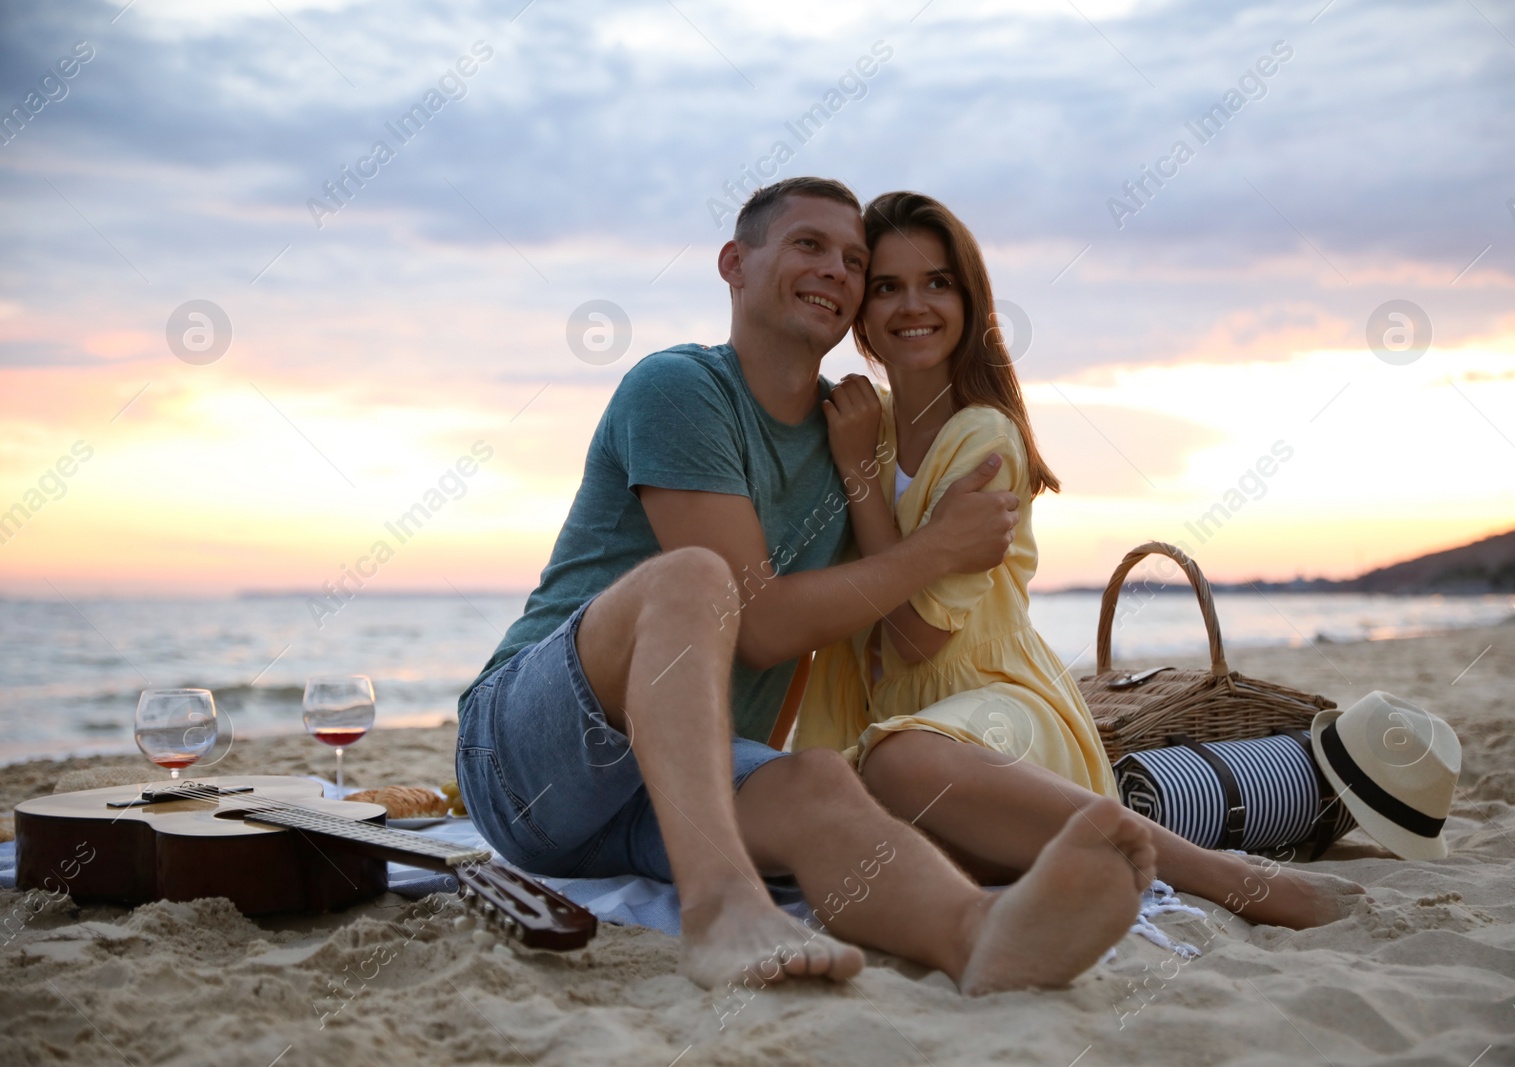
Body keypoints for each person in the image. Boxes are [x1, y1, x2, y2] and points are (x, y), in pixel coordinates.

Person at [456, 176, 1158, 998]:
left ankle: (975, 936)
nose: (836, 268)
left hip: (676, 790)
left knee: (820, 779)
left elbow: (804, 653)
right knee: (693, 580)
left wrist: (785, 779)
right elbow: (756, 627)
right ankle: (722, 909)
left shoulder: (847, 435)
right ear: (734, 265)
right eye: (808, 245)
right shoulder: (680, 389)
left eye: (854, 259)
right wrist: (934, 548)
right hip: (533, 757)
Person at [794, 190, 1365, 920]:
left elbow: (914, 635)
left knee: (902, 763)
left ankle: (1206, 872)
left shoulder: (982, 440)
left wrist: (861, 480)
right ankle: (1044, 862)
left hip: (1000, 712)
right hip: (895, 720)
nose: (915, 304)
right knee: (839, 809)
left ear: (970, 301)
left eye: (938, 281)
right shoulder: (863, 424)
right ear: (861, 314)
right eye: (887, 286)